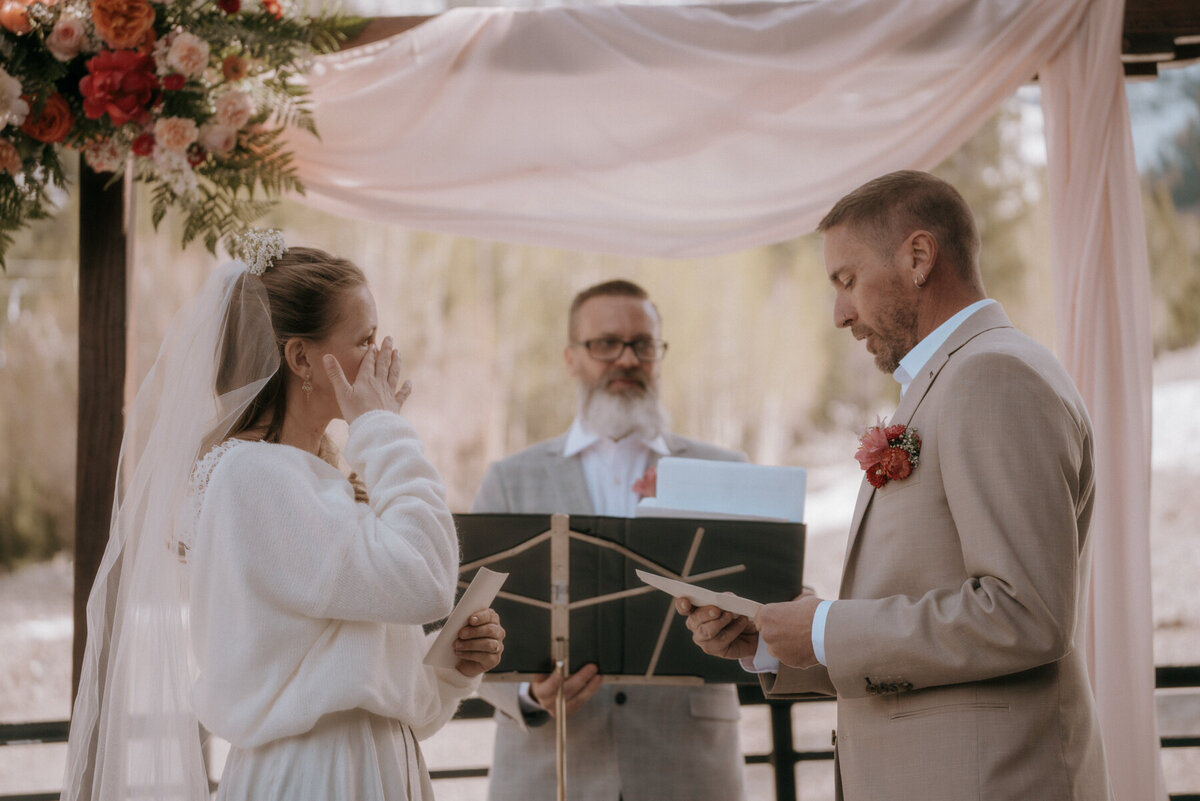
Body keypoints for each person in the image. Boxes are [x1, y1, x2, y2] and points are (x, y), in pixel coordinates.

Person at [679, 171, 1114, 801]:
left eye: (846, 281)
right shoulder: (951, 381)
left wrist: (827, 628)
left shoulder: (992, 376)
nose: (838, 314)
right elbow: (931, 613)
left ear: (917, 257)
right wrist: (778, 641)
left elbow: (1027, 614)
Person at [63, 239, 505, 801]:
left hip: (374, 766)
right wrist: (384, 429)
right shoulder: (254, 481)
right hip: (316, 778)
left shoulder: (308, 480)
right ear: (301, 360)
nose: (380, 358)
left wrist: (448, 669)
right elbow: (427, 581)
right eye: (365, 340)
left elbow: (364, 683)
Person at [472, 279, 747, 801]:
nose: (627, 358)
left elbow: (765, 600)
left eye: (643, 344)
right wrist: (528, 695)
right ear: (571, 358)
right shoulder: (510, 479)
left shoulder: (725, 471)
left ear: (659, 356)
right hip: (549, 771)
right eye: (605, 344)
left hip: (688, 769)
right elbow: (467, 624)